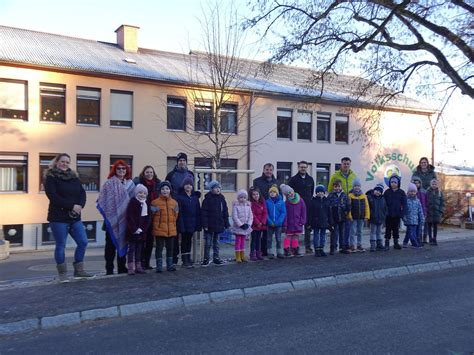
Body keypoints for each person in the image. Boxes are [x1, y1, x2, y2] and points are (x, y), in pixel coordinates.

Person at [44, 153, 93, 282]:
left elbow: (82, 193)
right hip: (58, 217)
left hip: (74, 217)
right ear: (56, 162)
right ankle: (63, 274)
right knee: (61, 245)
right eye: (62, 161)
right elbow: (53, 197)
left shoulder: (74, 177)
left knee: (83, 242)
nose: (65, 164)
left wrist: (80, 205)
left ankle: (79, 270)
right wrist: (72, 206)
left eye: (67, 162)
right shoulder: (51, 177)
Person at [97, 160, 135, 275]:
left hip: (125, 219)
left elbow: (134, 201)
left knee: (123, 242)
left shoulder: (130, 184)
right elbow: (102, 200)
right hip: (111, 219)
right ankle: (109, 268)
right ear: (115, 170)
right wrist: (112, 214)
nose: (121, 171)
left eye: (124, 169)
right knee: (110, 245)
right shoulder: (109, 183)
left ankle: (121, 267)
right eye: (119, 169)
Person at [133, 165, 161, 270]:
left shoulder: (157, 184)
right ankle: (139, 263)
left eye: (151, 172)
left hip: (153, 216)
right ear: (143, 173)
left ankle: (147, 262)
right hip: (141, 216)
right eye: (147, 172)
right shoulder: (139, 184)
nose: (149, 174)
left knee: (149, 240)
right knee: (140, 241)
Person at [328, 157, 358, 254]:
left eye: (348, 164)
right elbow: (330, 189)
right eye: (344, 163)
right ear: (341, 164)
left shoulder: (354, 176)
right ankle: (333, 247)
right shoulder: (335, 176)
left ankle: (344, 246)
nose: (346, 165)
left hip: (347, 206)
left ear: (350, 164)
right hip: (336, 208)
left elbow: (356, 188)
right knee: (335, 231)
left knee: (345, 229)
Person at [151, 181, 179, 272]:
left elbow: (176, 215)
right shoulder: (155, 203)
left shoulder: (174, 203)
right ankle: (159, 266)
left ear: (170, 190)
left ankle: (169, 265)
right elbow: (152, 215)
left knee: (170, 248)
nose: (165, 191)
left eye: (167, 189)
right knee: (159, 248)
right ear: (160, 191)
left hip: (171, 230)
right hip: (159, 230)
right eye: (163, 189)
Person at [288, 161, 315, 254]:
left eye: (304, 167)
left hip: (307, 206)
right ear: (298, 168)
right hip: (295, 206)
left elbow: (311, 192)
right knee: (295, 228)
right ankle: (293, 248)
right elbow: (289, 193)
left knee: (307, 227)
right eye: (301, 167)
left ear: (307, 168)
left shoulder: (310, 179)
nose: (303, 169)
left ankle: (308, 247)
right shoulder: (293, 179)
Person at [201, 180, 229, 266]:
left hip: (218, 224)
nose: (218, 189)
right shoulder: (207, 199)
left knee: (216, 242)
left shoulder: (222, 198)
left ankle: (216, 258)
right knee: (208, 242)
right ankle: (206, 259)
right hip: (209, 225)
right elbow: (204, 213)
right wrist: (205, 225)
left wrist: (226, 223)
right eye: (216, 188)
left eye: (219, 187)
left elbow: (225, 212)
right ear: (211, 189)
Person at [253, 163, 278, 256]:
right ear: (263, 170)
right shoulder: (257, 181)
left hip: (272, 211)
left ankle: (267, 250)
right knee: (258, 232)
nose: (269, 171)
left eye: (271, 170)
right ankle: (258, 251)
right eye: (267, 169)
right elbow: (254, 194)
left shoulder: (276, 182)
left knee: (268, 233)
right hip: (260, 210)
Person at [125, 184, 151, 275]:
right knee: (131, 249)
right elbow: (129, 217)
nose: (142, 195)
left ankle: (138, 266)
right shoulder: (132, 203)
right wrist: (134, 228)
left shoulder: (146, 204)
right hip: (132, 231)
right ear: (136, 193)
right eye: (140, 192)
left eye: (144, 193)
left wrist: (143, 229)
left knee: (139, 249)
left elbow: (147, 218)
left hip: (142, 232)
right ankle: (131, 267)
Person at [176, 177, 202, 268]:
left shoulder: (195, 198)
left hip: (192, 223)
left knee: (189, 241)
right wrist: (181, 225)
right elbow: (180, 212)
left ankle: (188, 257)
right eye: (186, 184)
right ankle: (184, 259)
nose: (188, 186)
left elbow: (198, 211)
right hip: (184, 223)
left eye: (190, 184)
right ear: (183, 186)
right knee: (184, 241)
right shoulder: (180, 197)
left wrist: (198, 224)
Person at [280, 184, 306, 257]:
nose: (290, 194)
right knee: (288, 236)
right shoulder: (286, 203)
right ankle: (286, 249)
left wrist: (303, 221)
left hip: (298, 222)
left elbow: (303, 211)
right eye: (287, 194)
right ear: (286, 195)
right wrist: (285, 224)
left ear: (293, 191)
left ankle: (295, 249)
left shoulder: (300, 200)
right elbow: (285, 214)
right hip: (290, 223)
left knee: (296, 236)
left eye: (290, 192)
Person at [383, 175, 407, 250]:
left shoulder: (401, 192)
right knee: (388, 229)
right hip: (388, 215)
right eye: (392, 182)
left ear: (398, 183)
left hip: (397, 215)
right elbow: (383, 203)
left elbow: (404, 204)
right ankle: (387, 243)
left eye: (395, 182)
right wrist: (385, 213)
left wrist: (402, 214)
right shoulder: (387, 192)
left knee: (396, 229)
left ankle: (396, 243)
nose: (393, 184)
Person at [327, 179, 350, 254]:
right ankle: (333, 248)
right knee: (334, 234)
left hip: (342, 217)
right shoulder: (330, 195)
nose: (337, 188)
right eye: (335, 186)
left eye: (338, 186)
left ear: (341, 187)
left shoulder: (344, 195)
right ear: (333, 187)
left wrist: (346, 212)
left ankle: (342, 247)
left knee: (342, 233)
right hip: (334, 218)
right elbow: (328, 206)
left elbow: (348, 205)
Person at [348, 178, 370, 252]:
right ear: (353, 187)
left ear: (360, 187)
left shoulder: (364, 196)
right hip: (353, 217)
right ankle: (352, 245)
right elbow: (349, 207)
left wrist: (367, 216)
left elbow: (367, 206)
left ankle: (359, 245)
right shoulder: (350, 195)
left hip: (361, 217)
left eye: (358, 186)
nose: (357, 187)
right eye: (355, 186)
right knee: (352, 231)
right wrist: (349, 215)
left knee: (360, 231)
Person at [230, 189, 252, 263]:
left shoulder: (248, 206)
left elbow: (250, 216)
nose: (243, 199)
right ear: (238, 198)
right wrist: (241, 225)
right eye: (241, 197)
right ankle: (238, 256)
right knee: (238, 241)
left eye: (244, 197)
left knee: (243, 241)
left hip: (245, 227)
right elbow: (234, 217)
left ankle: (242, 255)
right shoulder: (236, 206)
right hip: (238, 227)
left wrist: (248, 224)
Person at [309, 185, 331, 257]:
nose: (320, 193)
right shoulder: (313, 201)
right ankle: (317, 249)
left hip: (324, 221)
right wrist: (309, 223)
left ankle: (321, 249)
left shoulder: (327, 201)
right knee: (316, 235)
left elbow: (329, 213)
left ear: (324, 192)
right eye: (318, 192)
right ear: (316, 193)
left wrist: (330, 222)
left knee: (323, 235)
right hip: (315, 221)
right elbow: (310, 213)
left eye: (322, 192)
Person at [265, 185, 286, 259]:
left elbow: (283, 213)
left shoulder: (281, 202)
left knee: (278, 238)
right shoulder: (267, 202)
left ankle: (279, 252)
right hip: (270, 224)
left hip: (278, 224)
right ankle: (270, 252)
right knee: (269, 239)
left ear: (277, 193)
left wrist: (279, 222)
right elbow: (266, 213)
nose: (272, 193)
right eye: (271, 192)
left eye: (274, 192)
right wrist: (269, 221)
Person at [402, 183, 424, 249]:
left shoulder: (417, 201)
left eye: (414, 191)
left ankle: (405, 242)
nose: (412, 193)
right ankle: (415, 244)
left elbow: (420, 210)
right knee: (412, 233)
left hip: (415, 220)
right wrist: (404, 217)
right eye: (411, 191)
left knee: (409, 232)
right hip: (408, 219)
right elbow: (403, 210)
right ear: (408, 192)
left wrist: (422, 218)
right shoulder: (406, 200)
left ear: (416, 192)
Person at [366, 183, 388, 252]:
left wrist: (384, 216)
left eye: (379, 191)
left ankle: (379, 244)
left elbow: (385, 208)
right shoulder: (370, 197)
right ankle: (373, 245)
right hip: (373, 219)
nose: (378, 192)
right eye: (376, 190)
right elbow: (368, 207)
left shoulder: (383, 199)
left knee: (379, 232)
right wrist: (369, 216)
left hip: (380, 219)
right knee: (373, 232)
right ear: (374, 190)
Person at [249, 186, 268, 261]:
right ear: (251, 196)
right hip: (254, 224)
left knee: (259, 240)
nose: (256, 196)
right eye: (254, 195)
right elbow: (252, 214)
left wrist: (263, 222)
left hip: (261, 224)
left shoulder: (262, 201)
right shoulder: (251, 204)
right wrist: (257, 222)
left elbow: (265, 212)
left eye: (257, 194)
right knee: (253, 239)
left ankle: (258, 253)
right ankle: (252, 254)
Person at [426, 179, 445, 246]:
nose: (434, 185)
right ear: (430, 184)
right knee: (429, 226)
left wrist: (441, 211)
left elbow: (442, 203)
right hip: (429, 212)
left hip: (436, 212)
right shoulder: (427, 192)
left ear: (437, 185)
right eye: (433, 184)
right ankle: (430, 239)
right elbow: (425, 201)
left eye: (435, 184)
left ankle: (435, 239)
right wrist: (426, 210)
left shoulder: (439, 192)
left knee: (435, 227)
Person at [411, 176, 428, 244]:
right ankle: (414, 240)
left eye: (418, 183)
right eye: (415, 183)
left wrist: (425, 212)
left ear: (420, 183)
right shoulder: (411, 191)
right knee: (413, 227)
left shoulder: (424, 191)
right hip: (413, 212)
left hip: (421, 212)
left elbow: (426, 202)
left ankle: (419, 240)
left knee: (420, 227)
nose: (417, 184)